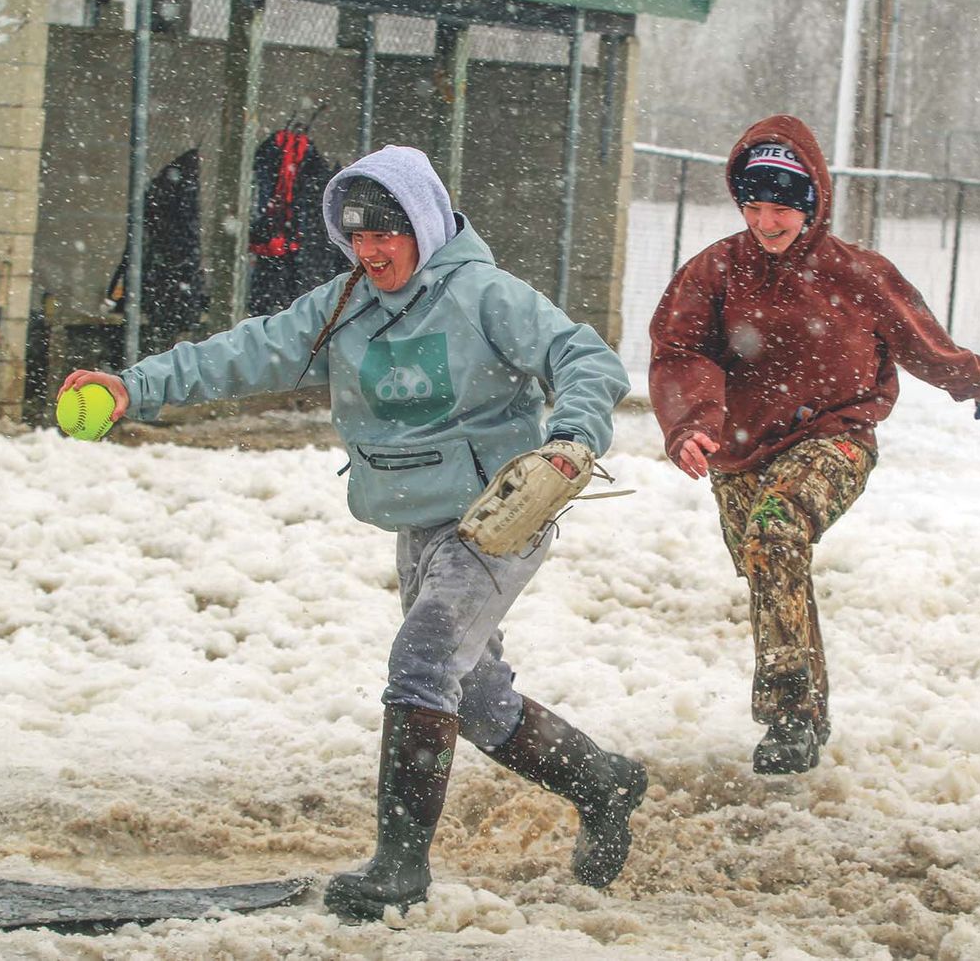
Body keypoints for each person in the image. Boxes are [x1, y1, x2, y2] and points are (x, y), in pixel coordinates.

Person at [61, 144, 647, 921]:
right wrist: (131, 386)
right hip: (416, 519)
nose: (371, 252)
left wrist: (572, 439)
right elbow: (243, 353)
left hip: (498, 515)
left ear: (427, 224)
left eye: (386, 234)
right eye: (357, 236)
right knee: (471, 698)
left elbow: (586, 356)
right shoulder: (343, 306)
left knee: (424, 658)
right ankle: (600, 780)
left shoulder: (485, 296)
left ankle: (399, 867)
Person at [648, 115, 980, 776]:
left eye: (781, 207)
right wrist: (691, 422)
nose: (766, 221)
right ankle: (810, 715)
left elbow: (920, 339)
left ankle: (784, 714)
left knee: (777, 530)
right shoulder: (716, 271)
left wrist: (976, 382)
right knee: (770, 564)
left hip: (835, 435)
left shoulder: (856, 273)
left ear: (812, 203)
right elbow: (679, 351)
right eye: (753, 206)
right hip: (737, 449)